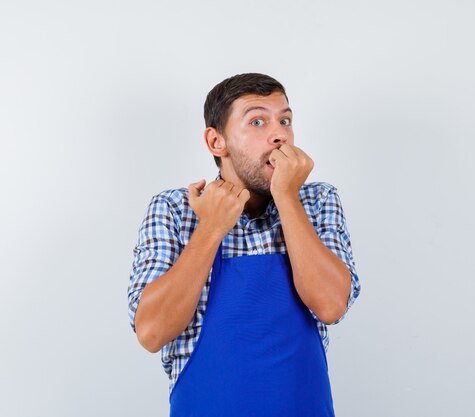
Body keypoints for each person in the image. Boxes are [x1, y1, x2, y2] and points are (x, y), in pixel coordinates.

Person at [127, 73, 361, 416]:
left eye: (285, 120)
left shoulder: (317, 200)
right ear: (216, 142)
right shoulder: (175, 210)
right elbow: (151, 332)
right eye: (257, 121)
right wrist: (210, 229)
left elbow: (330, 306)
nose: (279, 133)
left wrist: (286, 196)